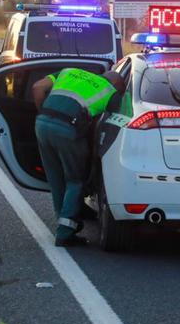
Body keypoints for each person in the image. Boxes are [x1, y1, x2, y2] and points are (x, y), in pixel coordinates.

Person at [32, 68, 125, 246]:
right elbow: (108, 124)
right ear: (116, 85)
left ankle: (63, 223)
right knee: (75, 181)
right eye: (120, 89)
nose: (119, 92)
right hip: (68, 130)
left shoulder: (69, 72)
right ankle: (65, 232)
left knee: (56, 178)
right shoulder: (111, 93)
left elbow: (37, 87)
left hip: (42, 124)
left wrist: (44, 114)